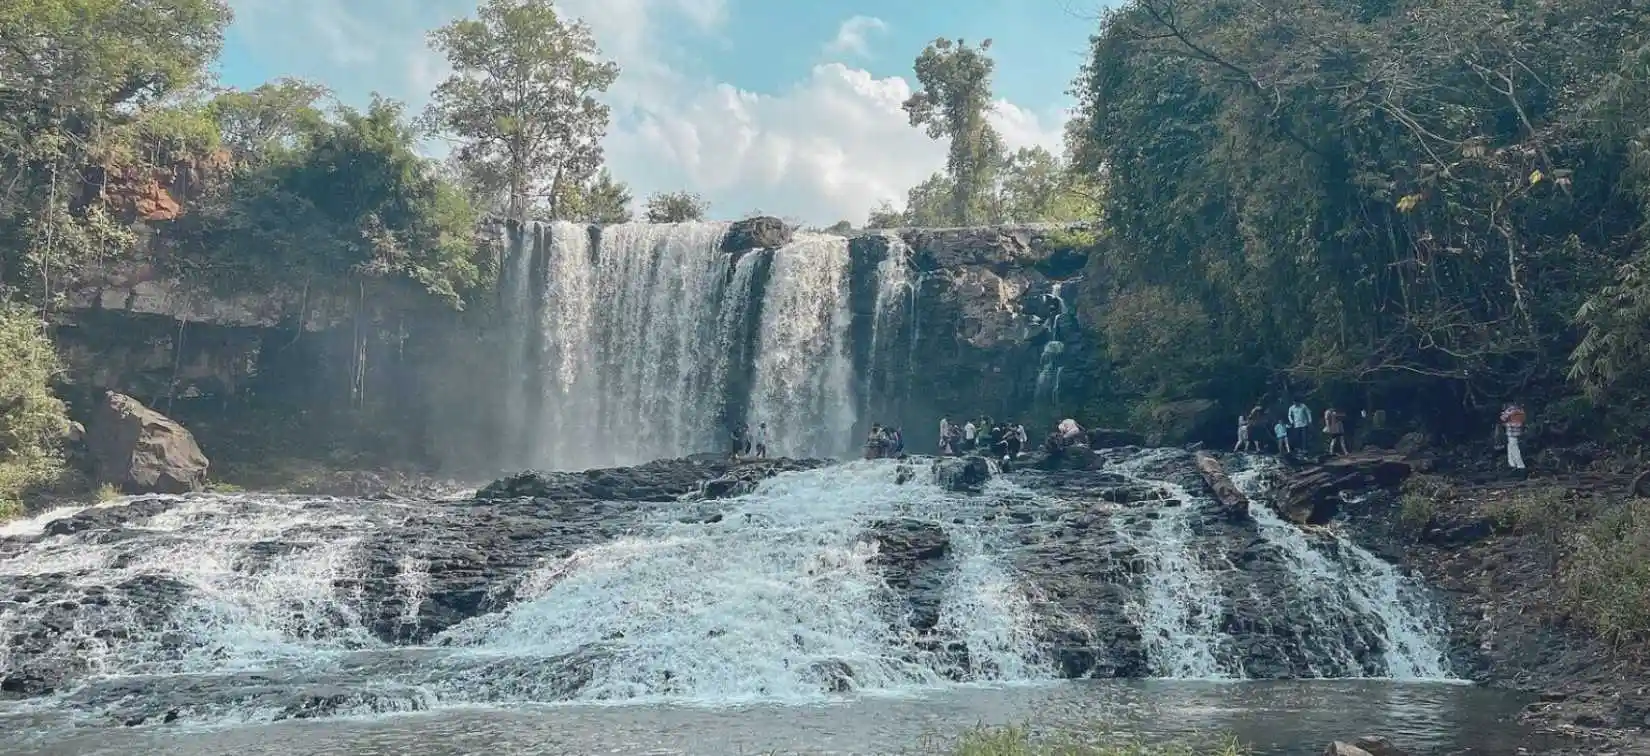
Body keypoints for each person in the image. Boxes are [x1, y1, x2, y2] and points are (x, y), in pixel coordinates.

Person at [1500, 402, 1527, 475]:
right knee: (1510, 446)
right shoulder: (1520, 410)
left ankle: (1520, 465)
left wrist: (1504, 413)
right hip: (1517, 430)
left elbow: (1503, 418)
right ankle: (1511, 463)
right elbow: (1523, 419)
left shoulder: (1510, 410)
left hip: (1511, 431)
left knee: (1514, 447)